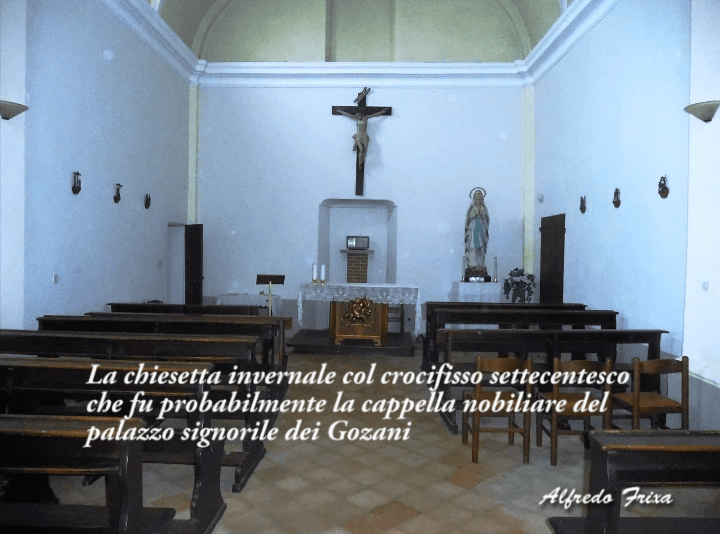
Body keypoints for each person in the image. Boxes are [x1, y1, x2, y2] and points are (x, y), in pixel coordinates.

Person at [463, 187, 490, 281]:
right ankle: (473, 265)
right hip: (473, 231)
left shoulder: (484, 208)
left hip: (481, 231)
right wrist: (474, 214)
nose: (478, 199)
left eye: (480, 197)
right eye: (477, 197)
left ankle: (480, 265)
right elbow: (468, 221)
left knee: (481, 248)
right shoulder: (471, 208)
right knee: (473, 248)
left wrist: (482, 215)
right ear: (474, 198)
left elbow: (487, 221)